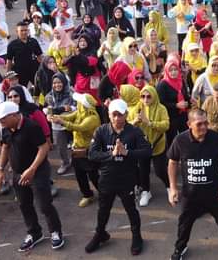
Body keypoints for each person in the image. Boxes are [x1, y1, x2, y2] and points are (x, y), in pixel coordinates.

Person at [167, 109, 218, 260]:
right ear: (189, 124)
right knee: (184, 224)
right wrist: (173, 188)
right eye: (199, 124)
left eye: (206, 123)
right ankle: (180, 248)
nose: (204, 127)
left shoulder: (216, 139)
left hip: (215, 193)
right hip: (191, 194)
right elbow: (172, 162)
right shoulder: (180, 140)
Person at [0, 101, 64, 252]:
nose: (0, 122)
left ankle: (55, 231)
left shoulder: (31, 127)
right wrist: (0, 169)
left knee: (44, 204)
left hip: (37, 172)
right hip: (18, 173)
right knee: (24, 204)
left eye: (3, 118)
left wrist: (32, 169)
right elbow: (5, 147)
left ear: (14, 115)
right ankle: (34, 233)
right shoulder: (6, 128)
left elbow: (43, 148)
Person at [85, 99, 152, 255]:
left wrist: (127, 153)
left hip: (127, 178)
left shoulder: (134, 132)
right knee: (103, 210)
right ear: (109, 115)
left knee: (131, 210)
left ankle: (137, 236)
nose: (117, 119)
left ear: (126, 115)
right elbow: (92, 154)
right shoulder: (101, 131)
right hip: (107, 178)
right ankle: (100, 234)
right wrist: (111, 154)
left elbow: (147, 151)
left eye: (120, 115)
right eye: (114, 115)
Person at [50, 92, 101, 207]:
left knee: (93, 174)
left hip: (89, 151)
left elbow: (79, 127)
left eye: (79, 103)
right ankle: (87, 195)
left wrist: (62, 122)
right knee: (79, 174)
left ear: (84, 105)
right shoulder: (80, 112)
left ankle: (104, 193)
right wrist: (59, 117)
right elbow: (70, 116)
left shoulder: (92, 117)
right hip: (77, 149)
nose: (77, 104)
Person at [129, 85, 170, 206]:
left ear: (154, 96)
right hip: (142, 146)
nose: (145, 99)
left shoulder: (161, 108)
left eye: (148, 96)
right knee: (143, 170)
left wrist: (149, 123)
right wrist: (134, 122)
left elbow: (166, 125)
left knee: (160, 170)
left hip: (158, 144)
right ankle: (146, 191)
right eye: (143, 96)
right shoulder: (137, 108)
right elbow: (127, 125)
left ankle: (169, 187)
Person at [6, 21, 43, 87]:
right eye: (21, 30)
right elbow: (9, 61)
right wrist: (8, 75)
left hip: (34, 71)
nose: (24, 32)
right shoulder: (12, 45)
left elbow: (40, 57)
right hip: (19, 73)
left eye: (26, 30)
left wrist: (44, 70)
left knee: (41, 88)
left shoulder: (33, 41)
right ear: (17, 32)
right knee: (21, 92)